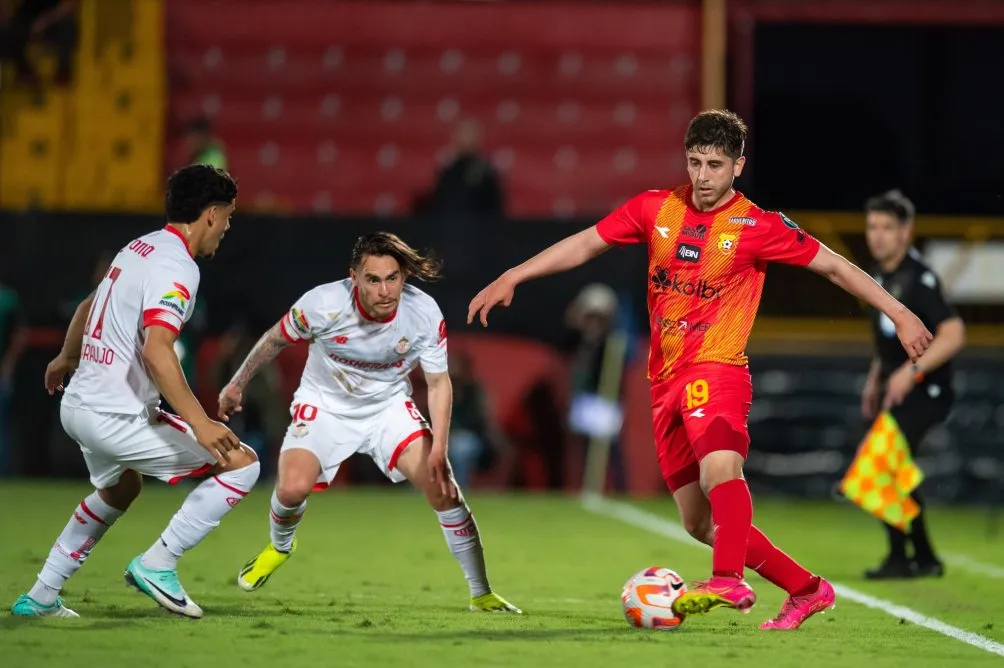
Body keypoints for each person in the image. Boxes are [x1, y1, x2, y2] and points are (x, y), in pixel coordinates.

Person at [468, 109, 933, 630]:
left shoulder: (757, 226)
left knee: (720, 472)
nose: (703, 176)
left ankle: (728, 579)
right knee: (698, 522)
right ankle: (807, 589)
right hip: (664, 380)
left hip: (718, 368)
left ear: (738, 165)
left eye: (715, 164)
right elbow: (586, 242)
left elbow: (834, 265)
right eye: (695, 162)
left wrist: (900, 312)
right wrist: (515, 274)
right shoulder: (655, 209)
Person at [218, 231, 521, 614]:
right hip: (324, 404)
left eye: (392, 278)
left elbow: (439, 382)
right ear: (354, 277)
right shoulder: (323, 304)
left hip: (387, 408)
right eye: (373, 279)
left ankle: (481, 593)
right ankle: (280, 546)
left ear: (403, 277)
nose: (384, 290)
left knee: (444, 489)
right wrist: (236, 384)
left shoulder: (423, 313)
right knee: (292, 490)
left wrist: (440, 448)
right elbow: (274, 340)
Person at [10, 165, 259, 619]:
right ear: (210, 213)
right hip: (115, 415)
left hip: (79, 405)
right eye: (228, 217)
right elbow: (158, 351)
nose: (226, 228)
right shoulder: (177, 266)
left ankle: (42, 596)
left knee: (121, 486)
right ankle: (158, 563)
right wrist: (201, 422)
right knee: (242, 465)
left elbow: (90, 303)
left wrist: (67, 356)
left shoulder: (139, 247)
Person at [860, 189, 965, 579]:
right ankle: (922, 556)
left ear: (907, 232)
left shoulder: (918, 278)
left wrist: (911, 370)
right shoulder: (881, 274)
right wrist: (876, 377)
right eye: (873, 226)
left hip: (928, 390)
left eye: (888, 227)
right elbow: (890, 339)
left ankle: (902, 557)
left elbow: (954, 334)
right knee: (893, 466)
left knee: (884, 461)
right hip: (898, 387)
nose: (878, 235)